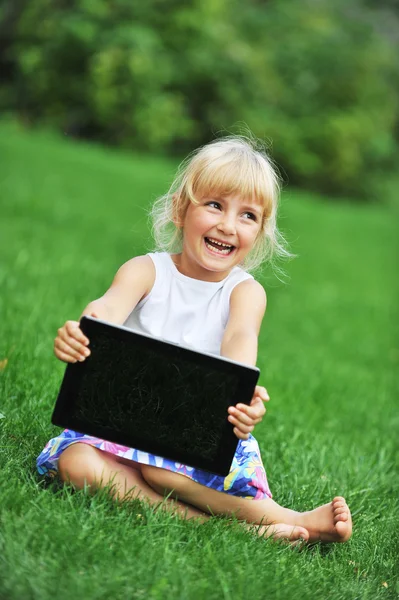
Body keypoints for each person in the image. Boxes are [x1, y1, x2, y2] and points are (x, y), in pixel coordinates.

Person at [37, 136, 352, 544]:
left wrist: (244, 396)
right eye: (215, 205)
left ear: (258, 233)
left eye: (248, 216)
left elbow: (240, 341)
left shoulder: (244, 292)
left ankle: (293, 518)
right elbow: (106, 309)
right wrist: (83, 331)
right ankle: (225, 530)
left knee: (161, 469)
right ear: (180, 210)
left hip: (196, 436)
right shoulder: (146, 271)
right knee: (76, 463)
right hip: (123, 425)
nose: (227, 225)